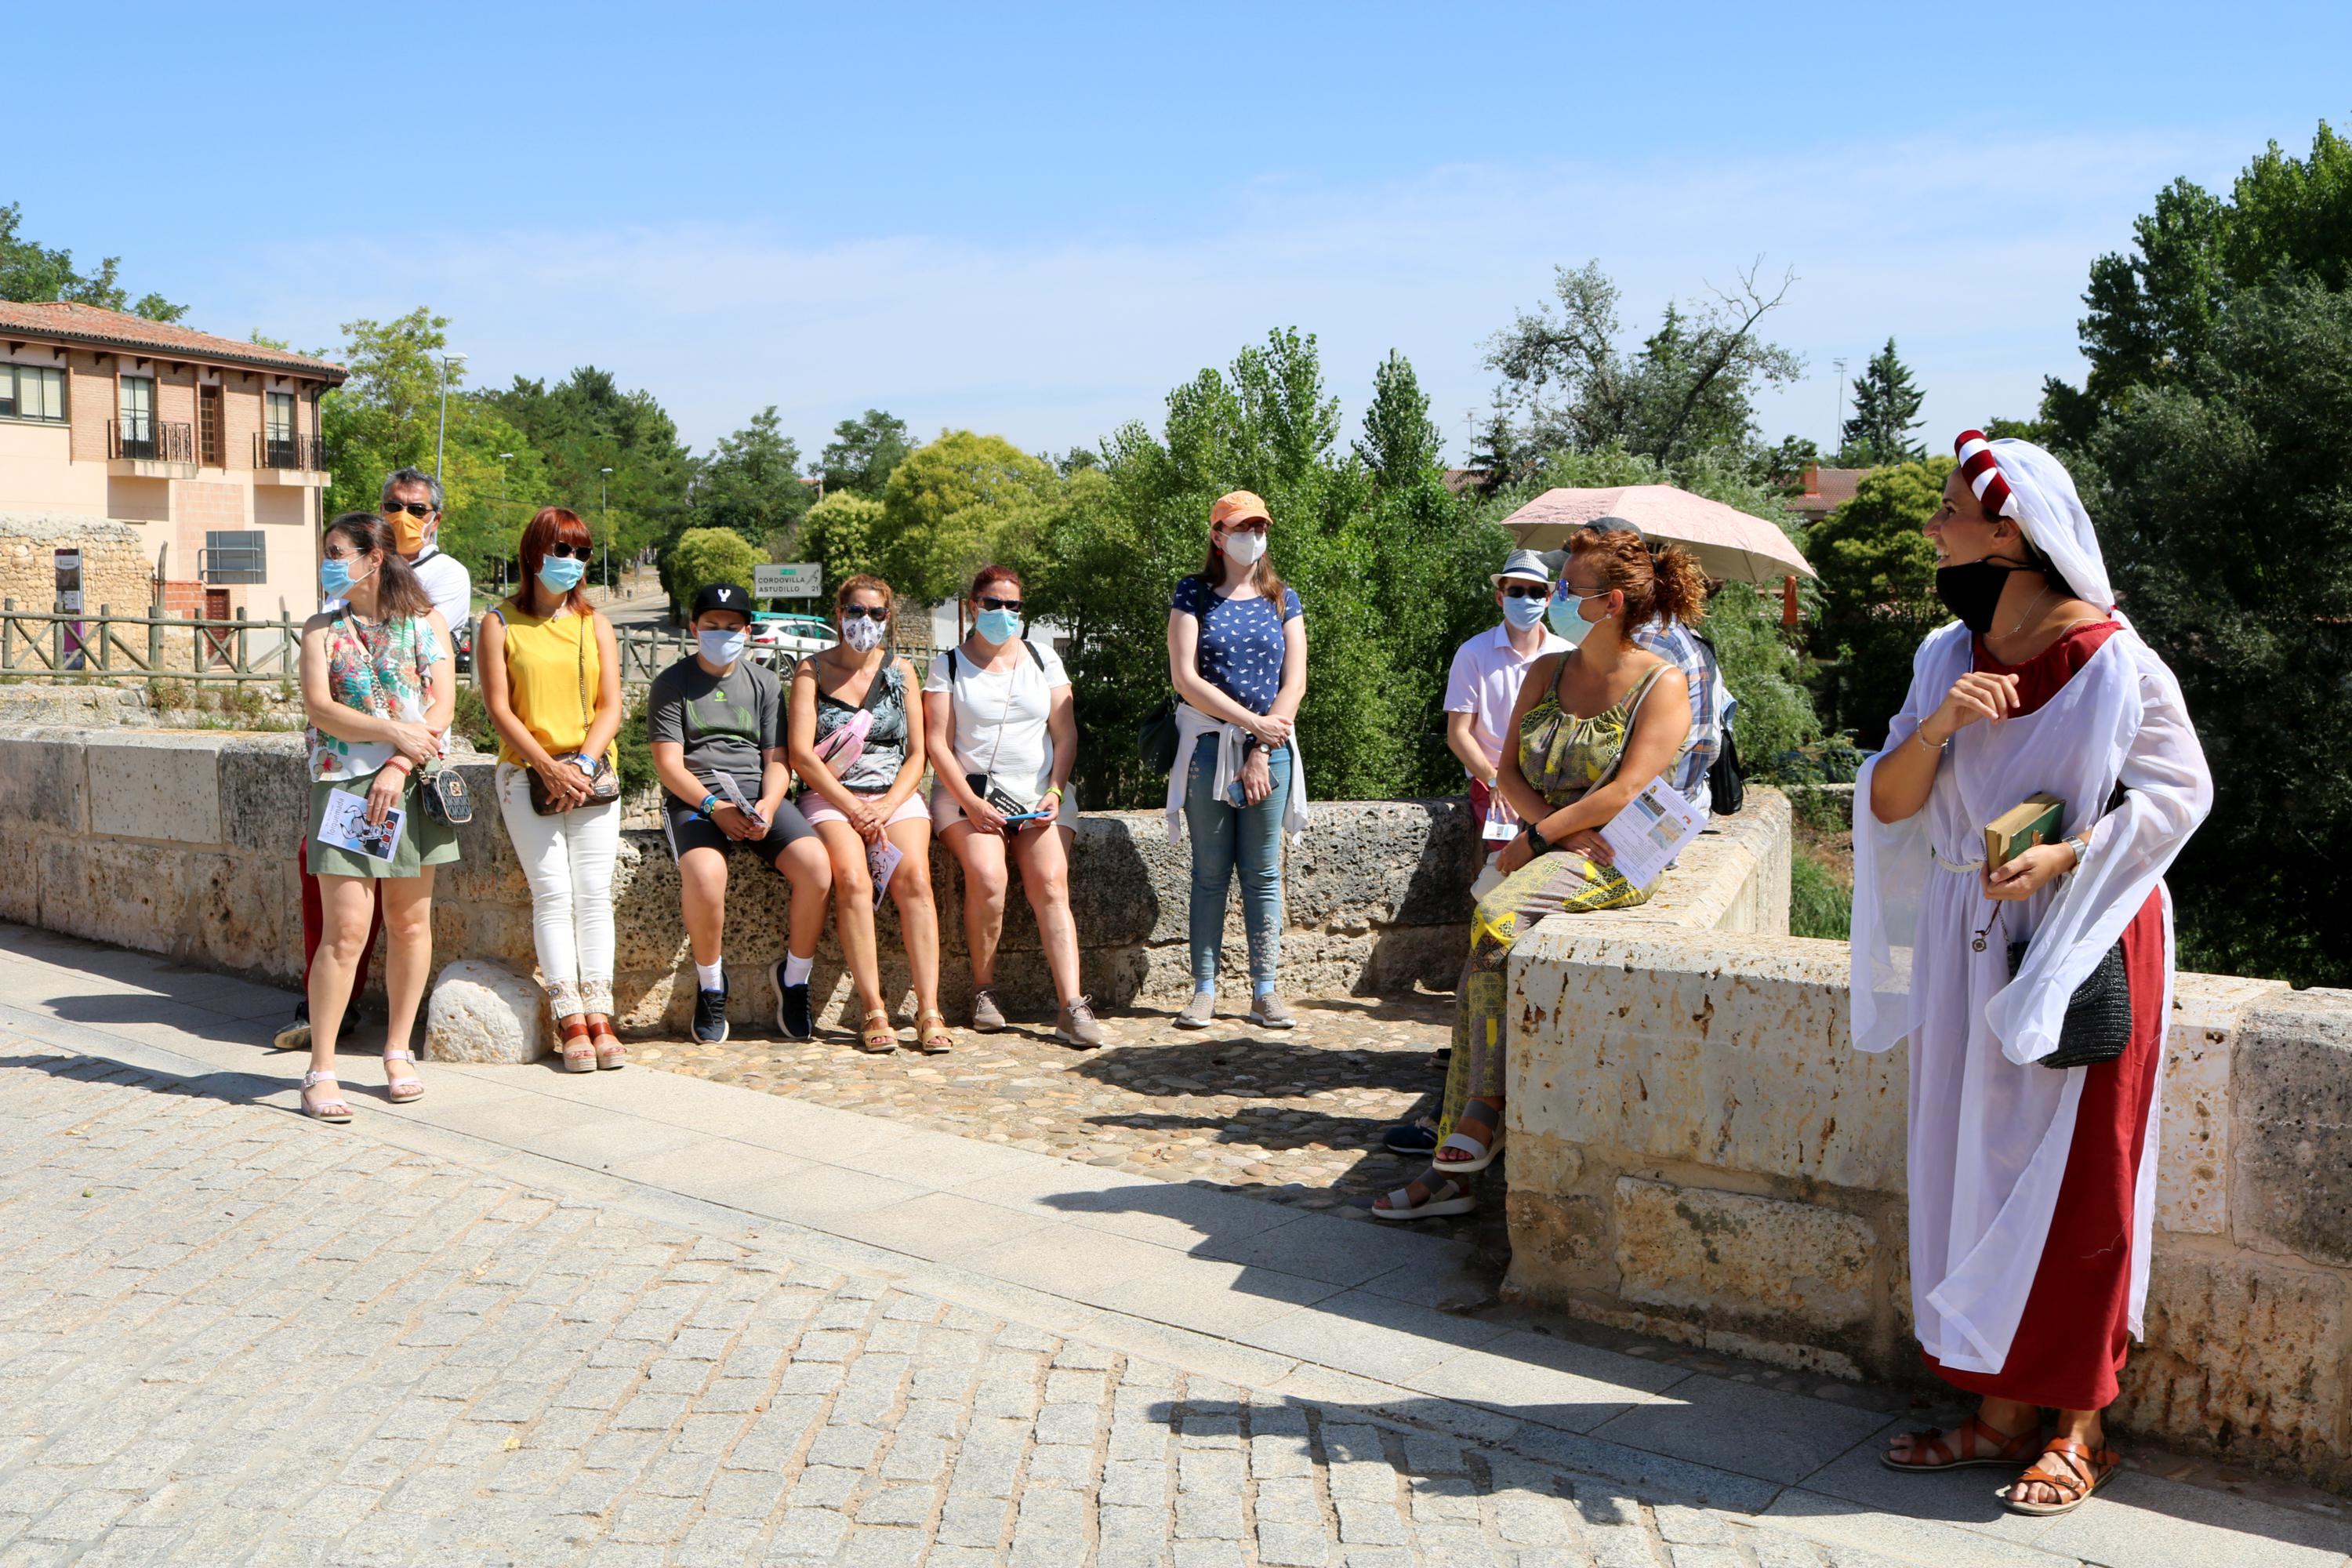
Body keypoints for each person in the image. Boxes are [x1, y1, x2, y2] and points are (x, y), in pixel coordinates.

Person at [1861, 434, 2210, 1517]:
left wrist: (2067, 855)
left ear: (2007, 535)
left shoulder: (2118, 662)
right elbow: (1887, 804)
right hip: (1972, 938)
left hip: (2084, 936)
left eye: (1951, 512)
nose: (1934, 529)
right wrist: (1938, 727)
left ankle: (2079, 1426)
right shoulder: (1940, 659)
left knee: (2082, 1179)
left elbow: (2178, 795)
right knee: (1973, 1165)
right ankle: (1998, 1410)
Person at [1374, 529, 1701, 1220]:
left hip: (1612, 859)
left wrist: (1535, 842)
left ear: (1610, 602)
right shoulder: (1544, 673)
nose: (1552, 596)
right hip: (1557, 844)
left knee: (1493, 918)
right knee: (1481, 961)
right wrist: (1546, 831)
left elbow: (1625, 793)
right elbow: (1509, 771)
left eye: (1568, 587)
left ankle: (1478, 1115)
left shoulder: (1661, 683)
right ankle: (1454, 1163)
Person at [275, 467, 474, 1052]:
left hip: (408, 785)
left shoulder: (427, 618)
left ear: (372, 559)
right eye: (327, 554)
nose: (329, 563)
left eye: (338, 553)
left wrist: (398, 762)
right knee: (346, 931)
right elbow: (320, 709)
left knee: (412, 924)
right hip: (348, 789)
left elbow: (442, 704)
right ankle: (323, 1063)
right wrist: (393, 732)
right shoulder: (322, 628)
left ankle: (397, 1051)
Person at [923, 565, 1102, 1048]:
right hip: (968, 796)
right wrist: (971, 803)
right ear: (973, 606)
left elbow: (1065, 735)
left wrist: (1056, 791)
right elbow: (937, 744)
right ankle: (984, 991)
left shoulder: (1044, 660)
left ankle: (1072, 1005)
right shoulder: (949, 665)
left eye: (1014, 606)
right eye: (994, 604)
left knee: (1049, 881)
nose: (1004, 613)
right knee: (988, 877)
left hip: (1040, 794)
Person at [647, 583, 833, 1045]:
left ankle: (794, 978)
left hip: (757, 796)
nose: (722, 634)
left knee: (817, 868)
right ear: (694, 628)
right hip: (696, 800)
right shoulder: (672, 682)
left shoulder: (766, 682)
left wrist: (769, 805)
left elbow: (777, 759)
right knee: (707, 876)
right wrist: (715, 807)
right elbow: (669, 764)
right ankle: (711, 986)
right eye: (712, 626)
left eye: (732, 627)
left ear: (747, 631)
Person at [476, 506, 626, 1072]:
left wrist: (582, 765)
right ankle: (569, 1017)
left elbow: (611, 706)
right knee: (553, 895)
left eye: (582, 553)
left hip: (590, 775)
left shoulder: (596, 624)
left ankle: (600, 1015)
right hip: (526, 774)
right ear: (534, 553)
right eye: (562, 550)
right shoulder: (499, 622)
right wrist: (546, 766)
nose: (572, 562)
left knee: (592, 894)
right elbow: (498, 707)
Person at [1164, 490, 1310, 1030]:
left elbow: (1294, 682)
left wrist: (1262, 746)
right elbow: (1186, 679)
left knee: (1263, 873)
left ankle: (1264, 991)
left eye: (1260, 526)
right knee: (1209, 873)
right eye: (1242, 526)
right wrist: (1251, 727)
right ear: (1218, 535)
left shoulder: (1282, 598)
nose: (1253, 535)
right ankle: (1203, 990)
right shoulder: (1193, 594)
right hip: (1208, 746)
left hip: (1270, 752)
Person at [789, 574, 949, 1055]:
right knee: (853, 881)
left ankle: (929, 1008)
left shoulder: (901, 672)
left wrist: (884, 805)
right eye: (856, 612)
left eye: (876, 614)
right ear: (839, 615)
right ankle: (874, 1007)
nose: (866, 622)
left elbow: (918, 754)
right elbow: (801, 755)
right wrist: (853, 806)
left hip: (893, 796)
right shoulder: (810, 672)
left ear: (888, 618)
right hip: (831, 796)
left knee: (916, 880)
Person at [1446, 546, 1571, 887]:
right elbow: (1458, 734)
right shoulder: (1474, 653)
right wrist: (1496, 779)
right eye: (1517, 591)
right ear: (1500, 598)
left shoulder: (1567, 655)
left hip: (1552, 785)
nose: (1526, 599)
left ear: (1547, 599)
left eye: (1535, 592)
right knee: (1503, 871)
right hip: (1493, 783)